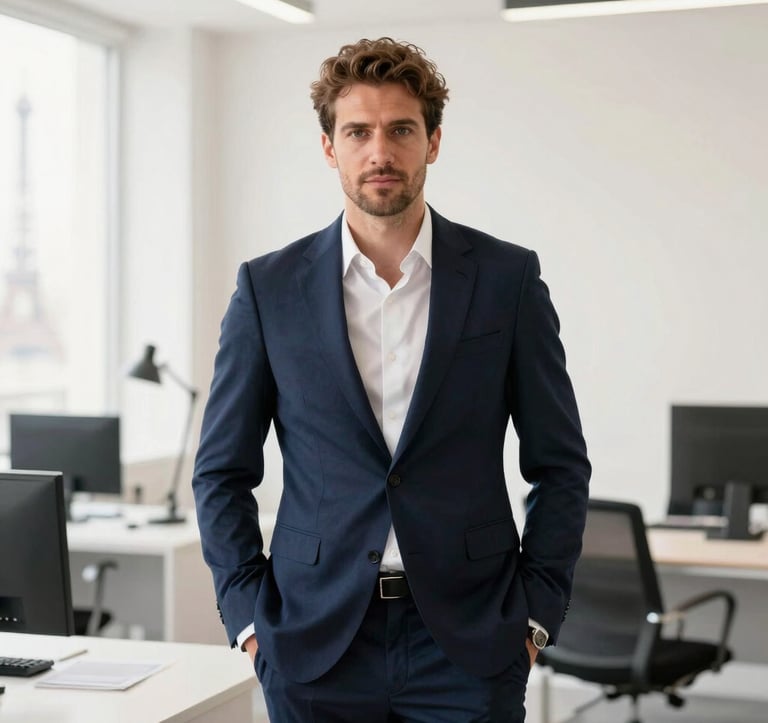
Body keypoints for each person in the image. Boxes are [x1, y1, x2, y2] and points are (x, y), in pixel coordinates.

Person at [192, 37, 590, 722]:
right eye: (358, 132)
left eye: (401, 129)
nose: (381, 152)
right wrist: (250, 621)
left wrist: (534, 617)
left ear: (433, 141)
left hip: (469, 643)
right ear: (330, 148)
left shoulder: (506, 280)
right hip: (314, 644)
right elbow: (220, 471)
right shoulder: (268, 289)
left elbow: (560, 464)